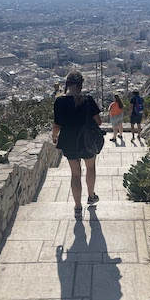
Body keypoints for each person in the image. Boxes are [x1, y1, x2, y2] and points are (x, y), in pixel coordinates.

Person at [52, 70, 102, 218]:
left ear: (68, 84)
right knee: (90, 167)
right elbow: (98, 121)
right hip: (87, 141)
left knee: (75, 174)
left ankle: (77, 206)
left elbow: (57, 124)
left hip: (69, 141)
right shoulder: (88, 99)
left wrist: (54, 137)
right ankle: (91, 196)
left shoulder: (60, 101)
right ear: (81, 84)